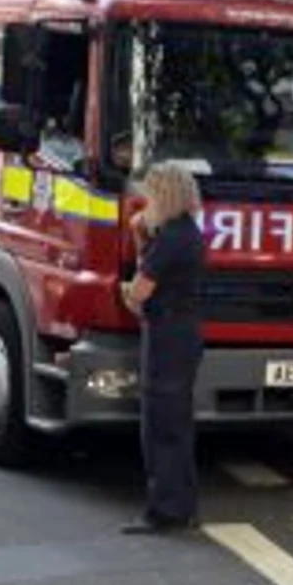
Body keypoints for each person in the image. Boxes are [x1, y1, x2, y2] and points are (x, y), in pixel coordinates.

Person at [119, 162, 209, 534]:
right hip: (182, 331)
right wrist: (140, 233)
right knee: (177, 424)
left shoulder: (173, 236)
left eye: (152, 193)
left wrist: (127, 292)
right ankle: (183, 507)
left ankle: (164, 511)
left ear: (165, 195)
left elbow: (138, 292)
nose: (146, 200)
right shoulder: (186, 232)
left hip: (166, 333)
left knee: (160, 427)